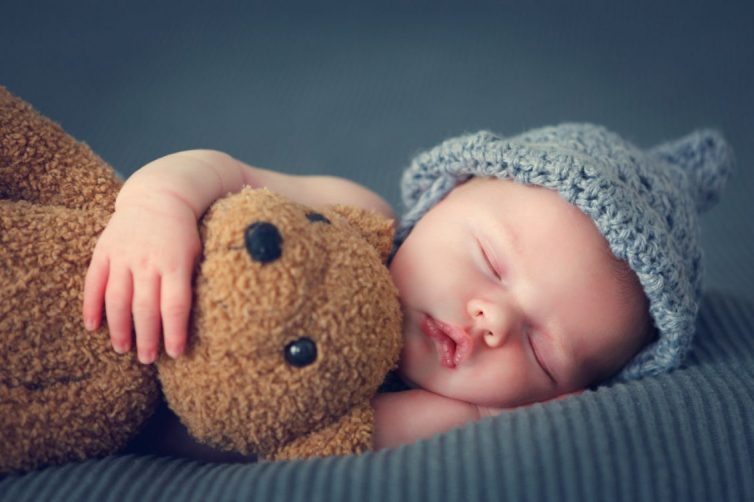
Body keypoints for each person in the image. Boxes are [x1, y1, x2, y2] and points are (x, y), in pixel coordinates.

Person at [82, 123, 732, 453]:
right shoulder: (353, 217)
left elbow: (312, 436)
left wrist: (477, 416)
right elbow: (225, 170)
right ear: (445, 196)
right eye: (492, 261)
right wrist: (156, 206)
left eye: (540, 350)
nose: (493, 320)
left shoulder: (442, 417)